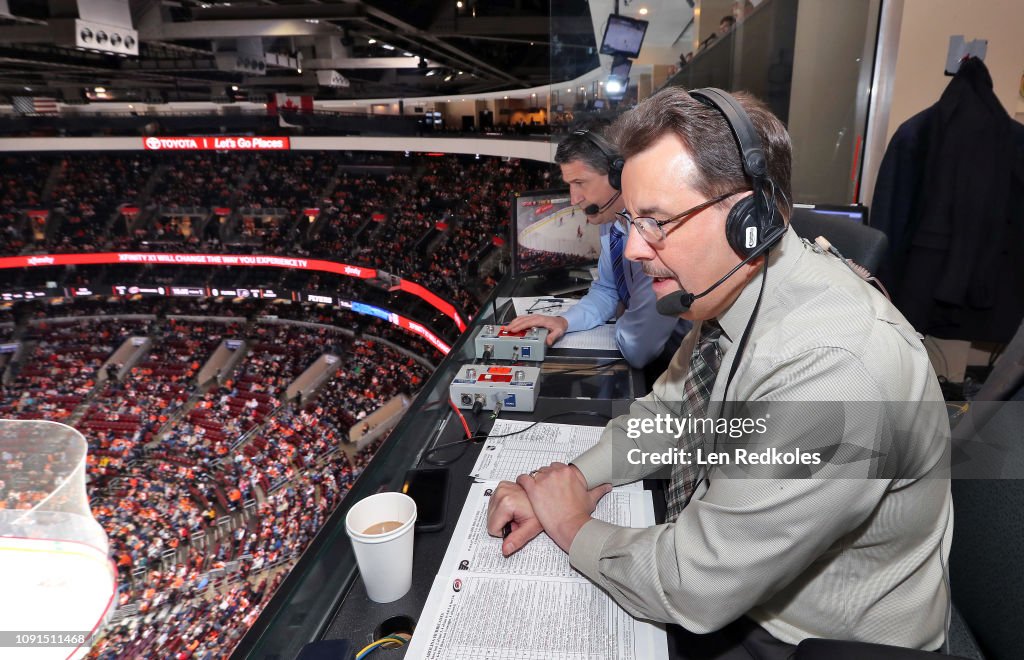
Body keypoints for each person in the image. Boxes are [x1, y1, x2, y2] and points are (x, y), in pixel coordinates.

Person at [488, 87, 952, 657]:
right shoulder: (732, 290)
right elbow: (668, 413)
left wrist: (570, 525)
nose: (633, 247)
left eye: (657, 221)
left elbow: (696, 585)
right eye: (633, 220)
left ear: (750, 219)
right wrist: (575, 482)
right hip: (744, 585)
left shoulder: (834, 370)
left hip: (808, 638)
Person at [506, 119, 685, 368]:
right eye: (569, 185)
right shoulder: (610, 220)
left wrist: (622, 313)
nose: (574, 199)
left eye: (580, 183)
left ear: (618, 175)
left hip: (673, 364)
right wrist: (565, 321)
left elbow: (638, 350)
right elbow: (607, 290)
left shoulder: (656, 237)